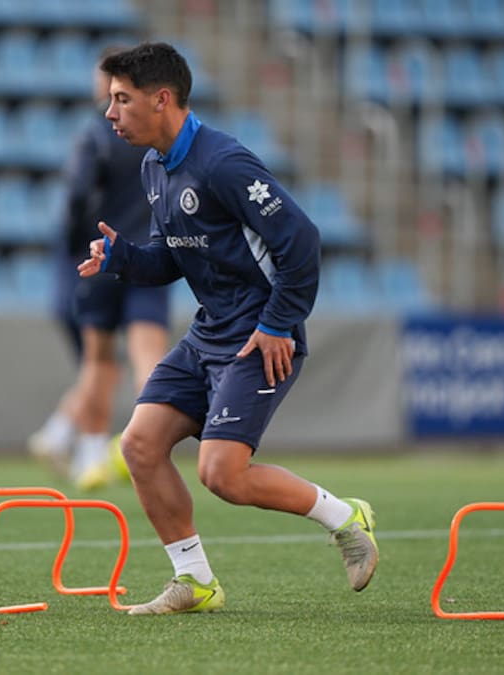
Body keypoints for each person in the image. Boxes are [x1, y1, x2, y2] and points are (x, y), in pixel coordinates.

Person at [77, 42, 378, 615]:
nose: (110, 113)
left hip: (259, 337)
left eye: (121, 99)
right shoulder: (153, 166)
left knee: (223, 474)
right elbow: (173, 257)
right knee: (139, 445)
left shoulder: (224, 163)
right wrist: (122, 257)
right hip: (208, 333)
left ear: (161, 98)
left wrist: (277, 323)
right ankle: (195, 582)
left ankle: (347, 518)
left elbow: (302, 242)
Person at [28, 46, 172, 489]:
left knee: (99, 361)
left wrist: (75, 247)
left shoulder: (97, 133)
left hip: (103, 254)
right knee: (148, 358)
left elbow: (76, 196)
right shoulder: (159, 135)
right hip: (150, 255)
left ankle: (91, 456)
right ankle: (144, 442)